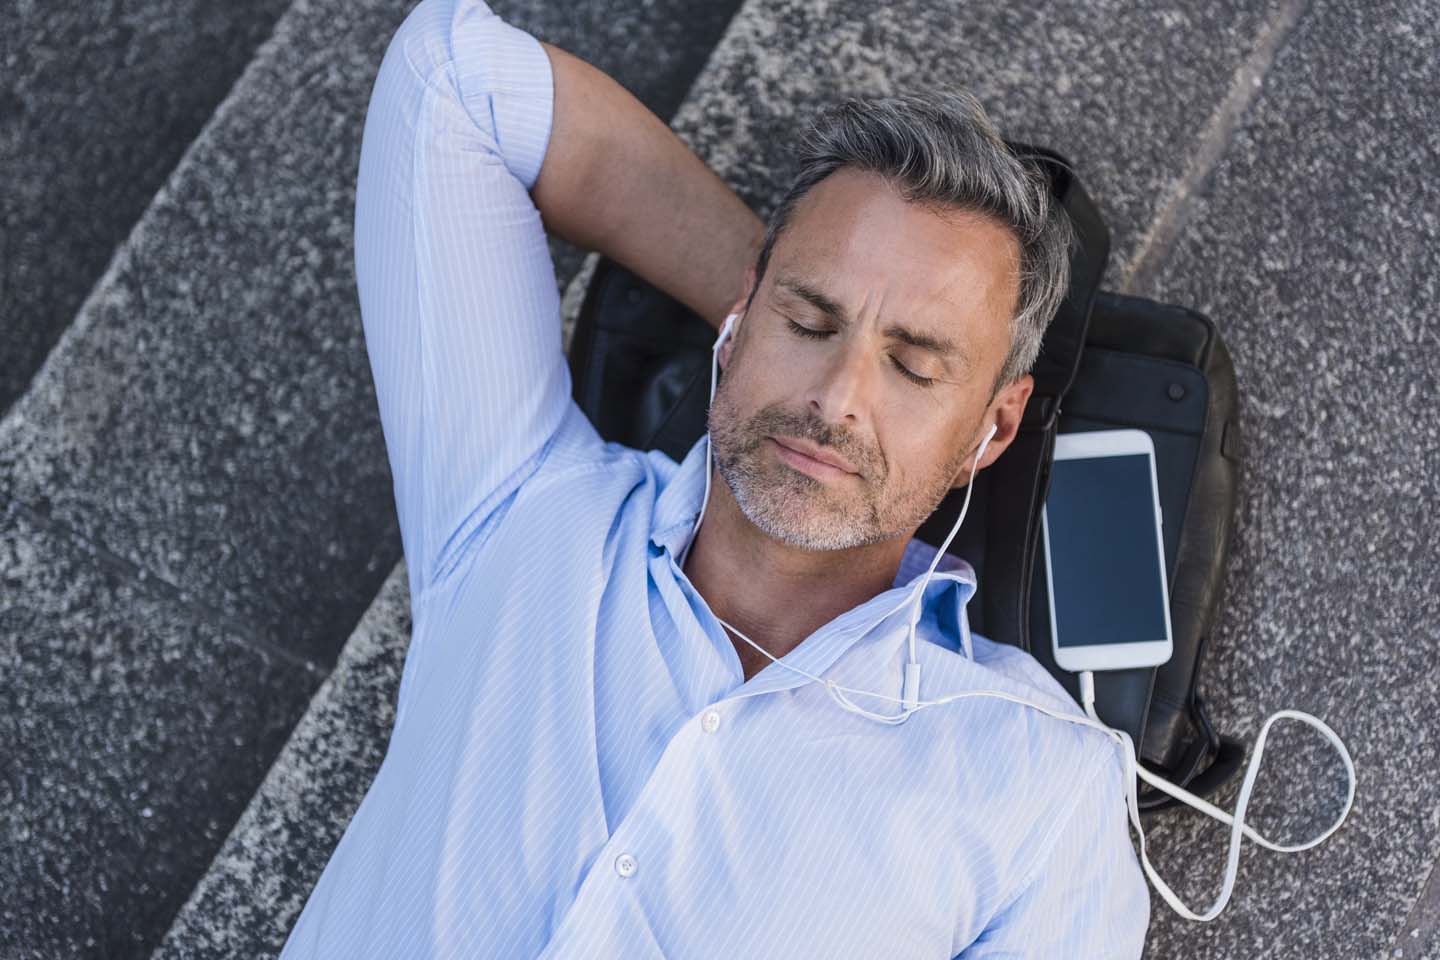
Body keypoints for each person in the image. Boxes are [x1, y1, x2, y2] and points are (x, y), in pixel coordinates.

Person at [280, 0, 1150, 955]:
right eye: (809, 324)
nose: (836, 398)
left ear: (994, 428)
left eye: (913, 365)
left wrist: (815, 297)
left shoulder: (1040, 785)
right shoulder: (522, 503)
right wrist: (771, 291)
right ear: (735, 321)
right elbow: (449, 77)